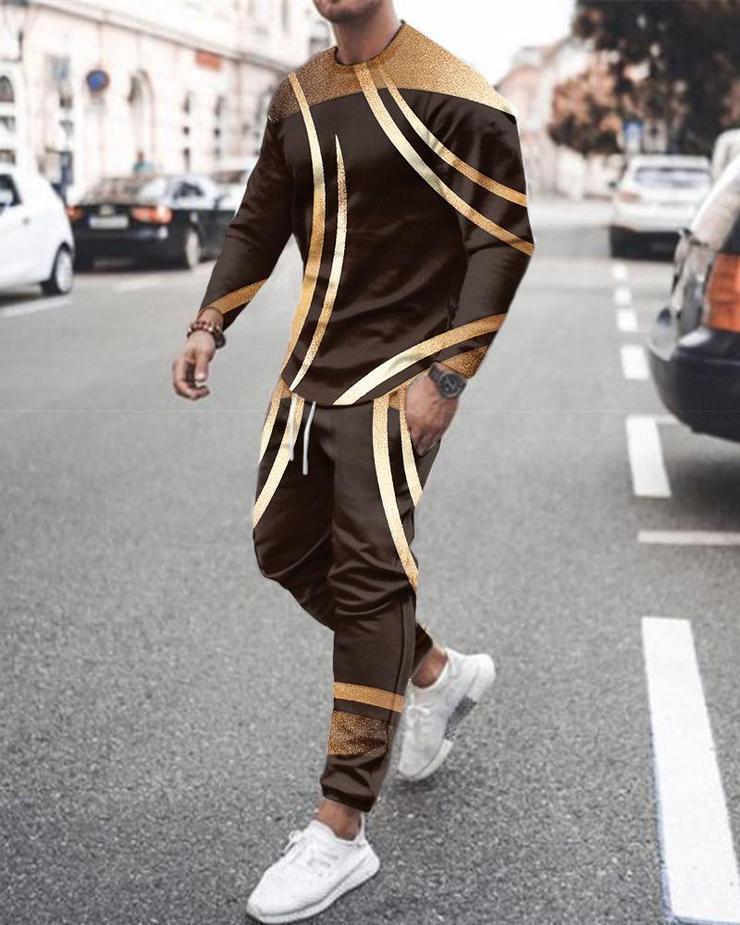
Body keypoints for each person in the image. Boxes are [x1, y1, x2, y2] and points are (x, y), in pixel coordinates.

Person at [172, 1, 534, 920]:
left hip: (399, 380)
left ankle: (340, 827)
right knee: (285, 549)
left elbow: (501, 240)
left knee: (372, 577)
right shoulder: (297, 95)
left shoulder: (461, 96)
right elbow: (259, 220)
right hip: (309, 378)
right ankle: (435, 671)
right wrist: (211, 321)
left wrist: (449, 375)